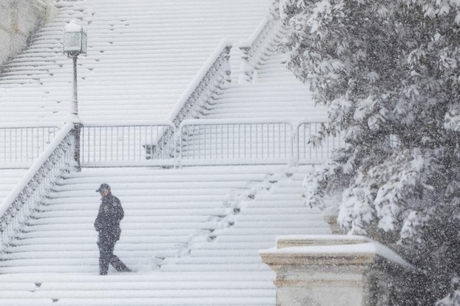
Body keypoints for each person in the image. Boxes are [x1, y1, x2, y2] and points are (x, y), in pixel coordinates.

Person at [94, 183, 131, 275]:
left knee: (105, 253)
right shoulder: (103, 203)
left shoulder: (114, 200)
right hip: (103, 231)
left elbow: (120, 214)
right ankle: (121, 270)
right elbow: (100, 216)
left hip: (111, 232)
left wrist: (109, 221)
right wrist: (97, 224)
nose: (102, 193)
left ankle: (105, 272)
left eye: (103, 191)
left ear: (108, 190)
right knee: (106, 253)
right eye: (101, 192)